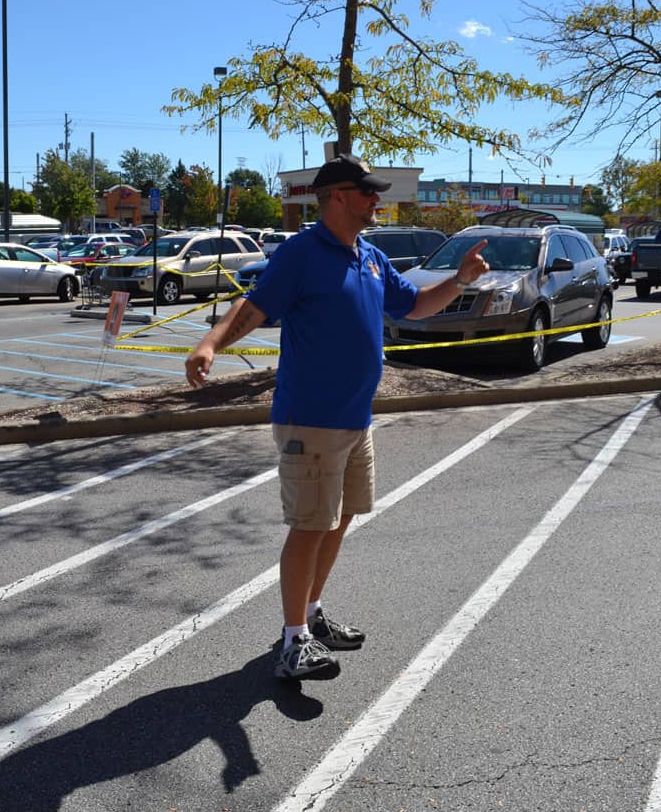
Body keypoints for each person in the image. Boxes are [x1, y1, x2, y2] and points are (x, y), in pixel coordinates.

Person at [185, 153, 489, 681]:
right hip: (312, 418)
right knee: (309, 527)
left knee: (338, 520)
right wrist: (210, 342)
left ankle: (311, 615)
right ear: (338, 196)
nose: (376, 199)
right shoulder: (302, 253)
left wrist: (459, 280)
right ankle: (292, 644)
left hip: (355, 420)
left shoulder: (368, 256)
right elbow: (255, 307)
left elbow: (414, 305)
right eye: (368, 191)